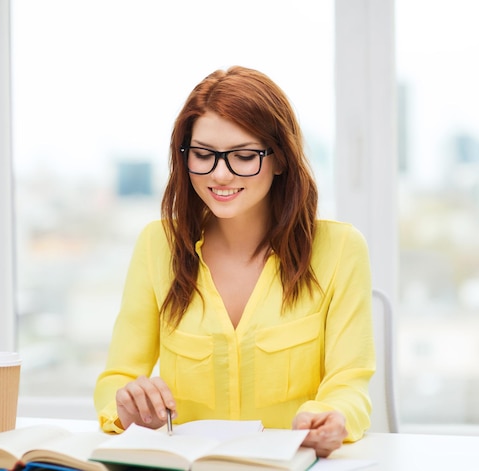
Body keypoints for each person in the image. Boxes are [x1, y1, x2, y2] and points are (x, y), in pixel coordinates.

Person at [94, 66, 375, 457]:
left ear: (280, 159)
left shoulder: (341, 248)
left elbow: (350, 383)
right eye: (203, 155)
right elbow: (117, 379)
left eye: (244, 156)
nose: (221, 175)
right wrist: (126, 407)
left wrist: (334, 417)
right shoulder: (157, 244)